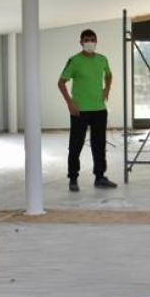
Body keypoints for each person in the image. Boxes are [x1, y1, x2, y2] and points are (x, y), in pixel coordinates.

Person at [58, 29, 117, 192]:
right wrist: (70, 103)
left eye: (92, 39)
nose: (89, 42)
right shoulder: (74, 61)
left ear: (96, 41)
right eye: (86, 40)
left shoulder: (102, 59)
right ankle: (73, 178)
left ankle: (100, 177)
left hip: (99, 109)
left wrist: (107, 89)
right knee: (75, 144)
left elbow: (109, 75)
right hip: (80, 110)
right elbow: (61, 82)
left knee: (99, 144)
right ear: (81, 42)